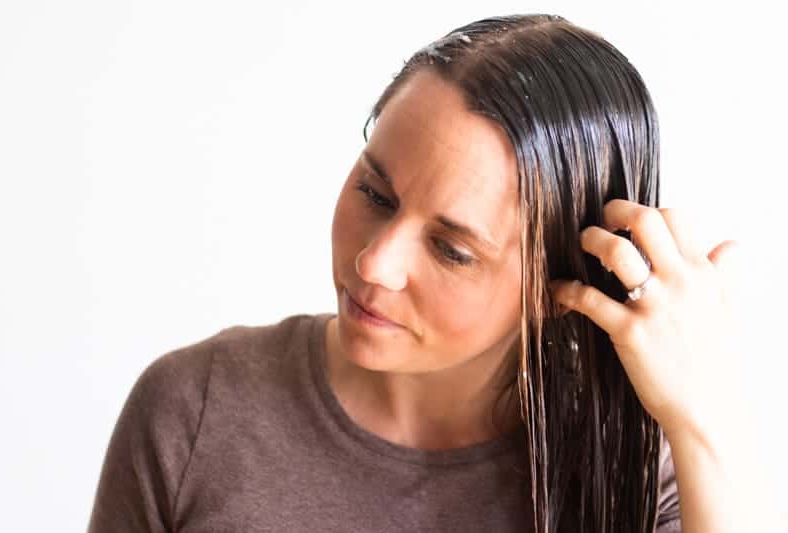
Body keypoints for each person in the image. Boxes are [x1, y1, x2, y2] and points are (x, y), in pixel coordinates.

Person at [87, 13, 776, 533]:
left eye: (452, 249)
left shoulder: (633, 463)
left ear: (555, 289)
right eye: (375, 195)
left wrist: (708, 421)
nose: (373, 263)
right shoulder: (196, 411)